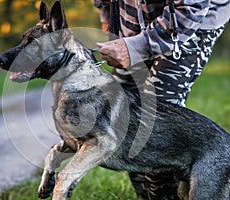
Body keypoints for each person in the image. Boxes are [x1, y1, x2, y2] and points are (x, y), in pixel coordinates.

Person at [94, 0, 229, 199]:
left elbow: (191, 8)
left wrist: (140, 46)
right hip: (135, 17)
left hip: (191, 19)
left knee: (154, 119)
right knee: (121, 110)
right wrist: (108, 16)